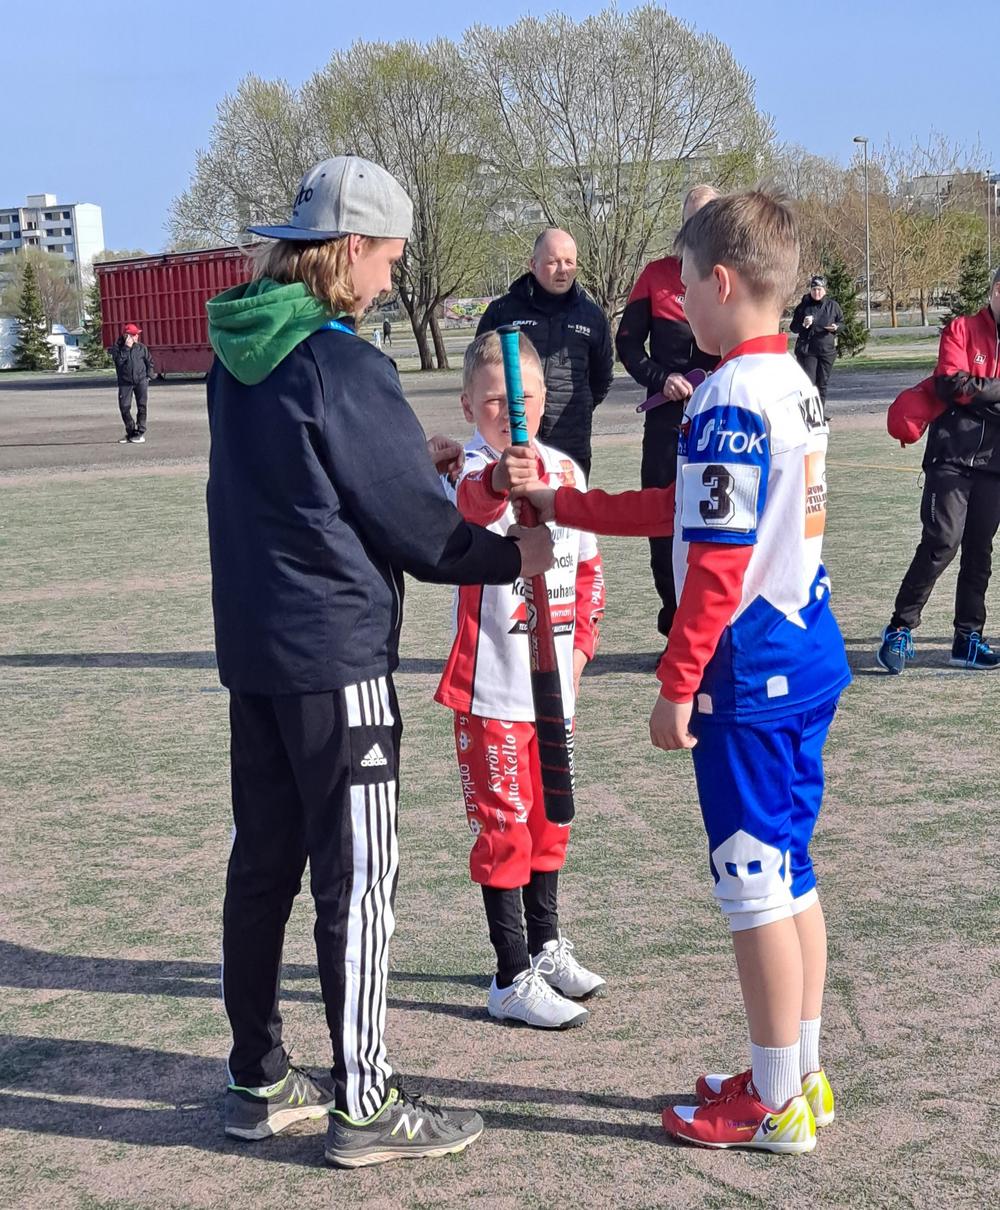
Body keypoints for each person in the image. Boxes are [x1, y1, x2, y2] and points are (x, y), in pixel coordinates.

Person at [204, 155, 555, 1169]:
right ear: (350, 248)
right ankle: (364, 1101)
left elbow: (321, 484)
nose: (393, 277)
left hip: (258, 654)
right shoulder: (341, 363)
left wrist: (414, 461)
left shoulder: (238, 353)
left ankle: (258, 1076)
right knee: (357, 878)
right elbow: (420, 534)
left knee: (262, 863)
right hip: (335, 657)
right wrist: (515, 556)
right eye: (390, 258)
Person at [516, 192, 851, 1155]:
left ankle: (775, 1103)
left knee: (755, 885)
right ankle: (799, 1073)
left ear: (723, 284)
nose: (675, 304)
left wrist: (676, 680)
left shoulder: (729, 396)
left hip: (751, 672)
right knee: (788, 873)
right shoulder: (789, 381)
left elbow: (716, 562)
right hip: (804, 652)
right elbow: (685, 510)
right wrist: (570, 505)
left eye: (684, 286)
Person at [435, 330, 606, 1030]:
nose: (512, 413)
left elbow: (588, 570)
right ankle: (509, 976)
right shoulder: (468, 469)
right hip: (492, 691)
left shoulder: (566, 470)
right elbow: (470, 508)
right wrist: (501, 482)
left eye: (525, 399)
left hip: (554, 690)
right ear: (468, 405)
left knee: (549, 820)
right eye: (495, 402)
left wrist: (582, 649)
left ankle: (545, 944)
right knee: (503, 830)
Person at [876, 268, 1000, 673]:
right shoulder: (962, 328)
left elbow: (968, 389)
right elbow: (950, 385)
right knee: (942, 541)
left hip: (994, 463)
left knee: (979, 550)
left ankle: (968, 638)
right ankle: (900, 627)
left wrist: (977, 390)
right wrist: (987, 392)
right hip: (951, 456)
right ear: (997, 291)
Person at [615, 185, 719, 642]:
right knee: (663, 523)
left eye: (710, 219)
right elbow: (627, 344)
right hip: (665, 421)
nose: (701, 229)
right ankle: (675, 626)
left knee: (715, 526)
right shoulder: (655, 276)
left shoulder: (733, 277)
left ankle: (711, 632)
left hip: (718, 420)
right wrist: (661, 379)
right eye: (694, 220)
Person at [476, 228, 613, 480]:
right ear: (533, 264)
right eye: (553, 262)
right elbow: (479, 373)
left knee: (566, 506)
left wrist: (579, 408)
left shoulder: (592, 316)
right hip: (511, 439)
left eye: (569, 262)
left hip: (570, 442)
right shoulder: (502, 311)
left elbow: (601, 377)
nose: (562, 270)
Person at [789, 275, 843, 406]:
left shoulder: (833, 306)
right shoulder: (803, 307)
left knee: (822, 383)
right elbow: (793, 328)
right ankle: (808, 412)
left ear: (825, 290)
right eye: (814, 289)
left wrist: (836, 327)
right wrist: (803, 324)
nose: (816, 292)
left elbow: (842, 323)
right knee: (809, 383)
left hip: (826, 351)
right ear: (810, 290)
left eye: (819, 289)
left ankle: (820, 412)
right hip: (808, 351)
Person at [110, 322, 153, 443]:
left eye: (137, 334)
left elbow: (149, 362)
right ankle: (131, 432)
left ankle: (140, 432)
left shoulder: (141, 348)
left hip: (141, 381)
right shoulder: (117, 348)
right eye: (134, 335)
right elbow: (118, 362)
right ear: (126, 336)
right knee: (124, 407)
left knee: (142, 406)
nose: (136, 336)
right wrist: (126, 348)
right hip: (125, 382)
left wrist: (149, 376)